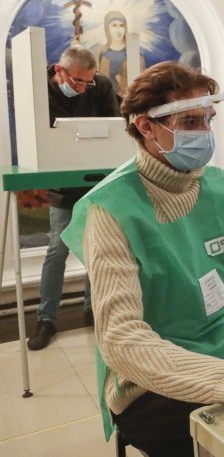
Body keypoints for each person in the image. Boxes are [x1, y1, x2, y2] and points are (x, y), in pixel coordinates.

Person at [60, 62, 224, 456]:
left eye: (209, 120)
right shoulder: (112, 209)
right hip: (152, 383)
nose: (205, 133)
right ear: (145, 126)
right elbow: (122, 340)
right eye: (191, 121)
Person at [27, 46, 119, 351]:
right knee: (57, 250)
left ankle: (94, 308)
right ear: (59, 70)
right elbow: (45, 139)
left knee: (97, 247)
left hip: (97, 182)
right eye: (77, 81)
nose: (82, 88)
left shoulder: (101, 86)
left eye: (87, 82)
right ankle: (46, 319)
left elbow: (114, 129)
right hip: (63, 186)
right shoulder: (38, 93)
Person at [97, 10, 146, 100]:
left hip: (129, 102)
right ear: (107, 28)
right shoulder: (100, 54)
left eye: (121, 25)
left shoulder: (135, 54)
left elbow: (141, 84)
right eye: (114, 25)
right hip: (105, 103)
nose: (118, 30)